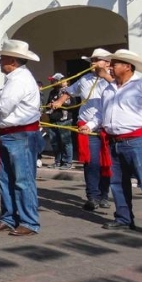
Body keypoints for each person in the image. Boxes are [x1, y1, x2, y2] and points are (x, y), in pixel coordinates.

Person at [81, 49, 142, 238]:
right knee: (117, 183)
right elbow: (101, 112)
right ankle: (124, 218)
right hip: (114, 142)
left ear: (127, 67)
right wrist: (91, 125)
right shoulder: (108, 88)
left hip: (138, 141)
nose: (110, 66)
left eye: (114, 63)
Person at [0, 39, 42, 237]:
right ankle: (9, 217)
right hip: (10, 134)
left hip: (20, 135)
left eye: (2, 58)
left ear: (12, 60)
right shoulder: (15, 78)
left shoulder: (19, 80)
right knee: (6, 179)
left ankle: (29, 221)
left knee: (22, 180)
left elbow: (3, 108)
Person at [50, 48, 115, 211]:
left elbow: (121, 91)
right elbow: (69, 92)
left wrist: (105, 76)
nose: (93, 63)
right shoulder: (84, 79)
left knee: (106, 163)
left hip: (107, 126)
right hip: (87, 126)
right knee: (91, 162)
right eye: (92, 60)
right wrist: (59, 101)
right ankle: (92, 196)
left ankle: (104, 195)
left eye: (97, 60)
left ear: (107, 63)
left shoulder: (114, 80)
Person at [44, 73, 76, 169]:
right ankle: (58, 161)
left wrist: (60, 104)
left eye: (53, 80)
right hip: (53, 120)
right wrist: (49, 105)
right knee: (55, 142)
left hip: (64, 120)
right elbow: (47, 104)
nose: (51, 82)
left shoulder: (69, 91)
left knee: (66, 141)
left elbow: (73, 105)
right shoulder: (52, 92)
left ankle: (68, 162)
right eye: (51, 80)